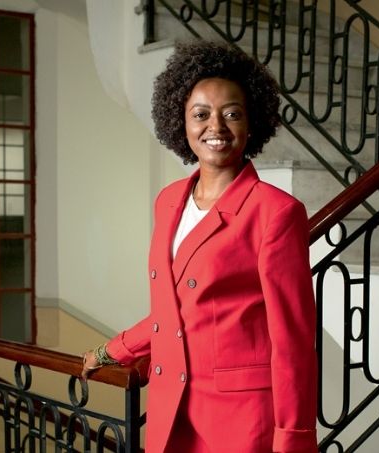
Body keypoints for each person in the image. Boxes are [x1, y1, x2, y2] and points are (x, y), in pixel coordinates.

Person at [82, 40, 318, 453]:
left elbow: (293, 341)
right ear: (181, 121)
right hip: (172, 404)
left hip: (242, 418)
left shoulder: (277, 213)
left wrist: (293, 440)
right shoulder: (169, 200)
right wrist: (113, 350)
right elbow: (174, 311)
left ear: (251, 123)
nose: (216, 127)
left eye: (232, 114)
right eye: (201, 115)